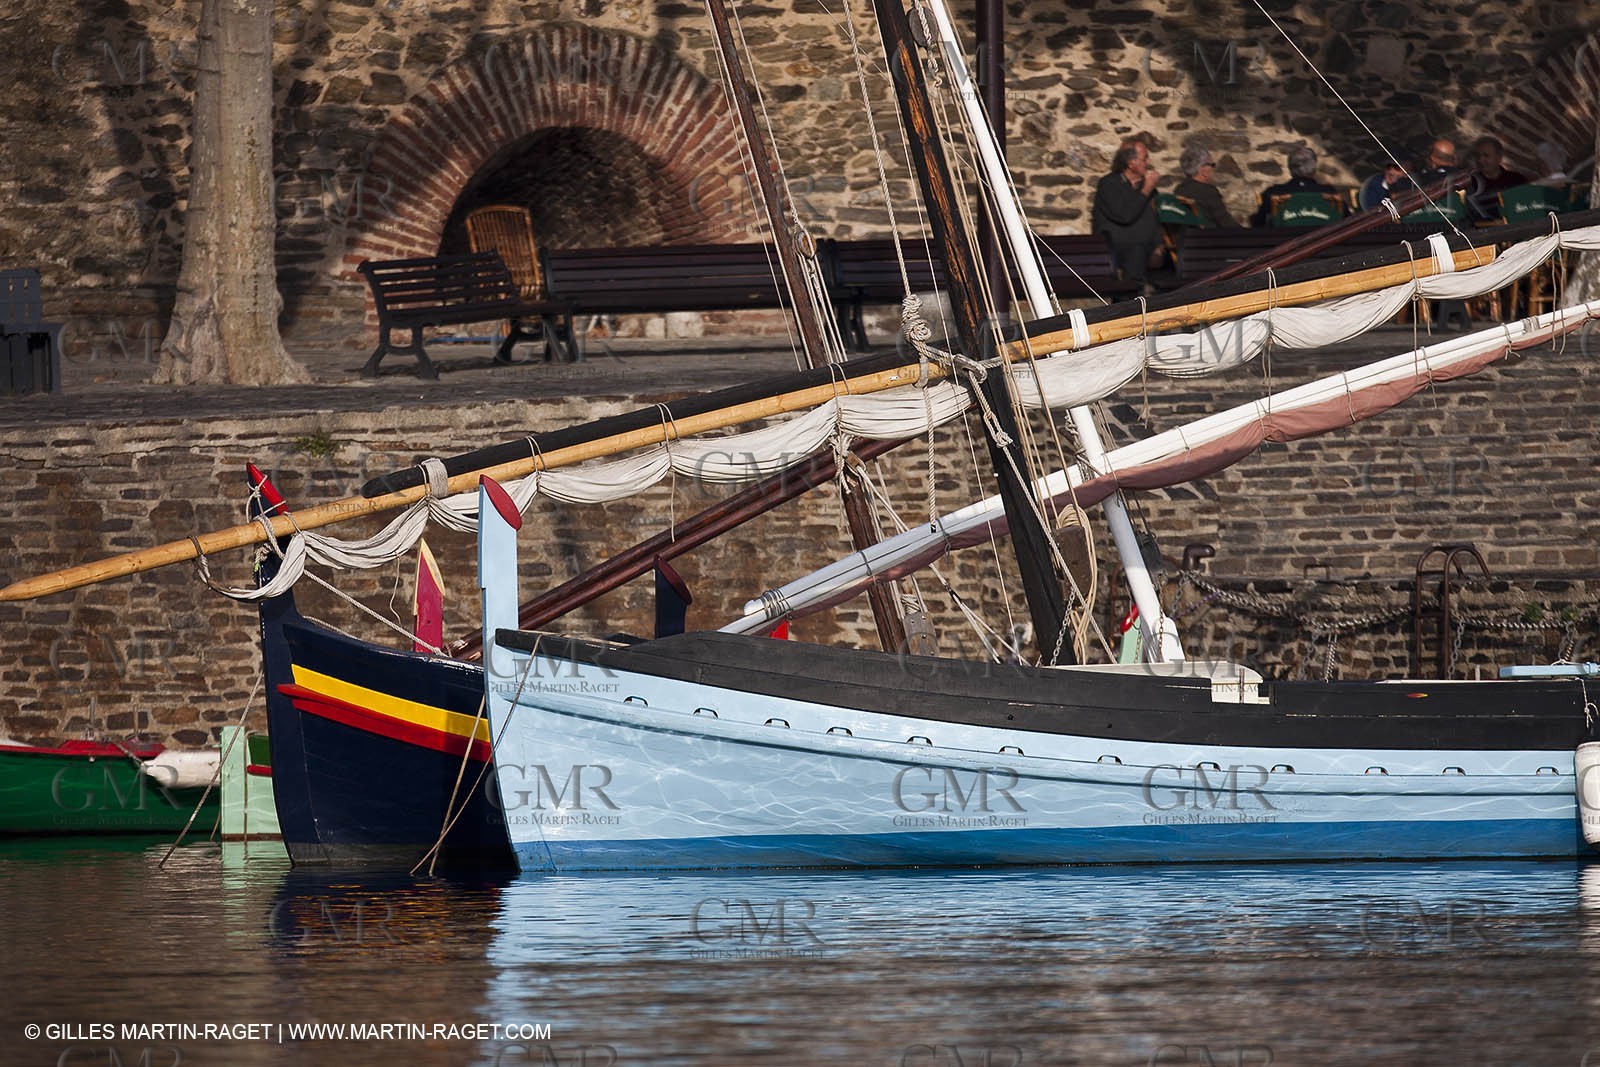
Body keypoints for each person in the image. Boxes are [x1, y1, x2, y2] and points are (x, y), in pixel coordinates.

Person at [1091, 140, 1161, 284]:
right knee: (1135, 251)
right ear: (1131, 163)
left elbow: (1155, 218)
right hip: (1120, 251)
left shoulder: (1146, 187)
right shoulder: (1109, 184)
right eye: (1144, 158)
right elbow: (1124, 215)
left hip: (1146, 249)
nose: (1148, 162)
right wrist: (1145, 190)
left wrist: (1159, 245)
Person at [1249, 146, 1347, 226]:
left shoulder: (1273, 193)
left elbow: (1258, 224)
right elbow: (1347, 221)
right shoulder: (1331, 193)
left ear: (1290, 169)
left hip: (1285, 246)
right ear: (1314, 168)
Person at [1465, 136, 1529, 221]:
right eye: (1478, 156)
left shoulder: (1517, 179)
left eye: (1486, 156)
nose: (1480, 160)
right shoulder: (1472, 184)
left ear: (1499, 157)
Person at [1173, 146, 1239, 227]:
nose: (1213, 169)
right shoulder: (1208, 192)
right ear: (1203, 170)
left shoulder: (1179, 190)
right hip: (1210, 237)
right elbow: (1226, 223)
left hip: (1189, 237)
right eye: (1212, 165)